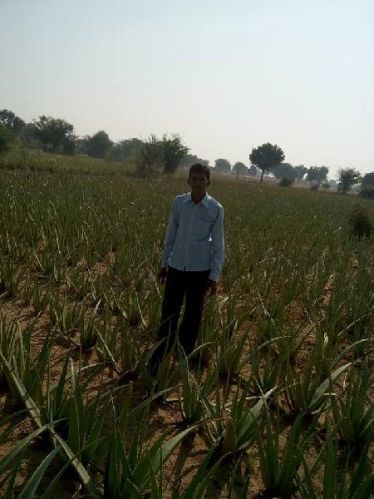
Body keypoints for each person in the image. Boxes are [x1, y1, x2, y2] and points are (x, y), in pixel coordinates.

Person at [148, 163, 224, 373]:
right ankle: (158, 357)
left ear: (208, 182)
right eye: (194, 178)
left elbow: (218, 245)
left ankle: (182, 356)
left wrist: (214, 275)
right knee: (169, 312)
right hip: (176, 267)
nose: (198, 182)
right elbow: (171, 234)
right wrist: (164, 264)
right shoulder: (179, 203)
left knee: (193, 315)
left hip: (200, 271)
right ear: (188, 181)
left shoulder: (216, 209)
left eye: (202, 179)